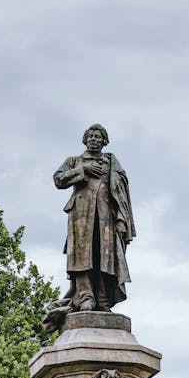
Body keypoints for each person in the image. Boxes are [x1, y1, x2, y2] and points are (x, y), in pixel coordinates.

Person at [52, 123, 136, 315]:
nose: (94, 140)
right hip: (81, 217)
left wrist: (122, 220)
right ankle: (85, 298)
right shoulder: (75, 161)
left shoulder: (111, 162)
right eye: (90, 136)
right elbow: (58, 179)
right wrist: (83, 171)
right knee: (83, 258)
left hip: (106, 217)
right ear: (85, 140)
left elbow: (121, 192)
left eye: (98, 137)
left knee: (104, 258)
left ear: (104, 141)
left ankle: (103, 298)